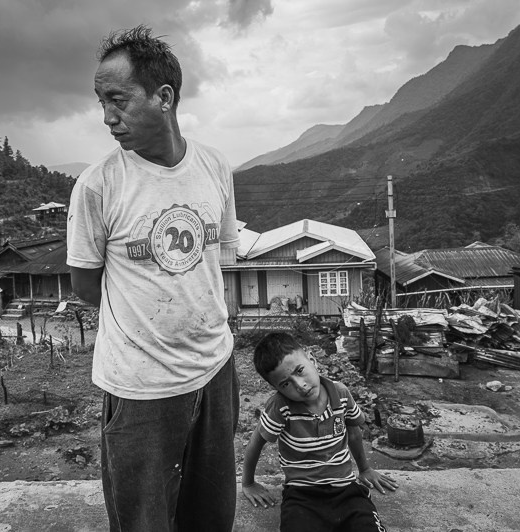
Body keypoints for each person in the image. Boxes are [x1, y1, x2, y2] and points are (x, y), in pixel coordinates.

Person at [66, 25, 241, 532]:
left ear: (163, 97)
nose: (107, 117)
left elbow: (217, 262)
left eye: (117, 99)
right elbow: (84, 287)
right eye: (101, 102)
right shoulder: (99, 184)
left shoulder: (214, 166)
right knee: (144, 518)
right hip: (141, 386)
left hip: (215, 370)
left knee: (209, 512)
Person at [242, 332, 398, 532]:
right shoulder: (280, 406)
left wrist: (365, 469)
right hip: (301, 495)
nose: (300, 385)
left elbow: (354, 434)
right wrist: (248, 483)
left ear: (312, 359)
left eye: (300, 370)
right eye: (285, 384)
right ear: (277, 389)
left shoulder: (340, 393)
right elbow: (256, 442)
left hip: (346, 490)